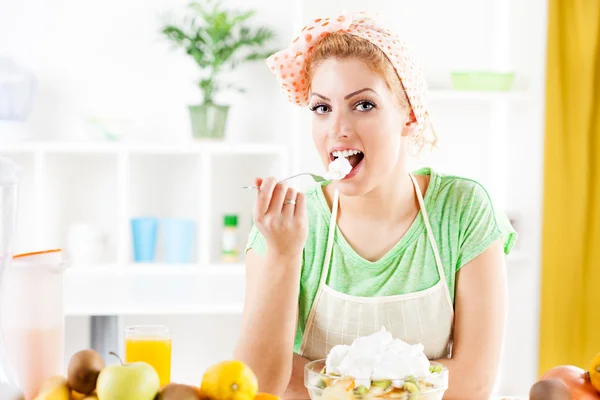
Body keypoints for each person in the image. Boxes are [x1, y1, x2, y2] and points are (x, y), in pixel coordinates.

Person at [233, 11, 516, 400]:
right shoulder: (287, 223)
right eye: (321, 108)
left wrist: (327, 383)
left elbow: (473, 383)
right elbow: (256, 386)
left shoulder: (463, 210)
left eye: (363, 105)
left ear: (409, 115)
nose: (337, 128)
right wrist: (283, 256)